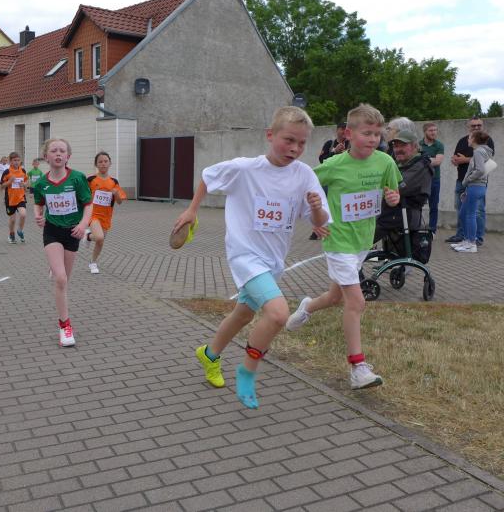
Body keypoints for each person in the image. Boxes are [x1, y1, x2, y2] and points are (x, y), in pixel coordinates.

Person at [175, 107, 329, 409]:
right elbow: (208, 177)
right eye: (289, 140)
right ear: (270, 135)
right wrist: (192, 210)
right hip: (245, 255)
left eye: (301, 143)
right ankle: (247, 371)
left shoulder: (304, 174)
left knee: (244, 314)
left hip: (274, 261)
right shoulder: (245, 168)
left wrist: (315, 209)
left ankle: (209, 355)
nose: (295, 148)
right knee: (278, 314)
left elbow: (320, 220)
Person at [286, 104, 401, 390]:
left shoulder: (385, 162)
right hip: (338, 241)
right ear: (349, 134)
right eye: (366, 133)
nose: (373, 139)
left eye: (377, 134)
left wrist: (393, 198)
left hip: (363, 240)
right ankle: (358, 368)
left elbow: (393, 192)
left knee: (335, 296)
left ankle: (307, 307)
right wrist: (314, 219)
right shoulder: (334, 165)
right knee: (356, 302)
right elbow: (302, 187)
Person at [33, 139, 93, 347]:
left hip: (73, 232)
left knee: (65, 279)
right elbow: (38, 203)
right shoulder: (41, 183)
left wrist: (83, 225)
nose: (58, 154)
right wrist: (38, 216)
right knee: (60, 279)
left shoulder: (77, 178)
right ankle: (65, 326)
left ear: (68, 156)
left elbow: (88, 205)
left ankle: (55, 265)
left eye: (62, 151)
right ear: (46, 156)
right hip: (52, 231)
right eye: (53, 151)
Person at [446, 117, 495, 246]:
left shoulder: (485, 141)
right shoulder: (463, 141)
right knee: (462, 210)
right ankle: (463, 237)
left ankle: (475, 239)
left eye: (479, 125)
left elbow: (483, 163)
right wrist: (455, 160)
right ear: (468, 127)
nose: (476, 127)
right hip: (462, 180)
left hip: (474, 183)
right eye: (473, 125)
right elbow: (457, 157)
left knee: (476, 212)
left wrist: (465, 162)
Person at [85, 152, 127, 274]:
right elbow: (84, 197)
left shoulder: (114, 182)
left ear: (110, 163)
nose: (103, 164)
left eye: (105, 161)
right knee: (99, 237)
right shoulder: (91, 180)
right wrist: (92, 195)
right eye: (100, 162)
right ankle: (89, 237)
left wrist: (116, 193)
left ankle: (92, 260)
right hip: (93, 214)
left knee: (100, 241)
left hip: (106, 216)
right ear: (96, 164)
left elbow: (119, 202)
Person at [419, 123, 445, 234]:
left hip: (434, 179)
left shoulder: (439, 145)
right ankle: (416, 228)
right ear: (425, 131)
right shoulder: (418, 145)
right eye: (431, 130)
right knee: (417, 205)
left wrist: (423, 159)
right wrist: (430, 159)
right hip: (420, 179)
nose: (434, 132)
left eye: (435, 130)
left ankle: (432, 231)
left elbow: (438, 161)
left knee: (433, 206)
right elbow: (415, 160)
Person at [1, 152, 29, 243]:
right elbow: (2, 186)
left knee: (23, 214)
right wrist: (9, 182)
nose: (16, 162)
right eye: (14, 160)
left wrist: (24, 184)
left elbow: (27, 182)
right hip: (10, 199)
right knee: (12, 220)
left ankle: (20, 230)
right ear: (10, 161)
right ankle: (11, 234)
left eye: (18, 160)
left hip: (21, 197)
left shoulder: (23, 170)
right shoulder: (7, 172)